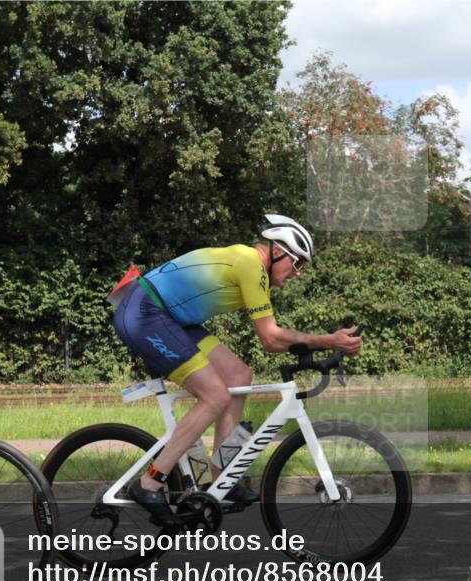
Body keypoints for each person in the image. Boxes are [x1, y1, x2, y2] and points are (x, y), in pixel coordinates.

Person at [111, 215, 361, 530]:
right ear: (278, 251)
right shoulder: (250, 264)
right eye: (297, 264)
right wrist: (328, 340)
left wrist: (317, 347)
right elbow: (270, 338)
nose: (297, 273)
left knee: (239, 376)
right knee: (214, 395)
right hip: (146, 313)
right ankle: (148, 484)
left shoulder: (253, 269)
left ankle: (221, 476)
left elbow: (273, 341)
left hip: (170, 317)